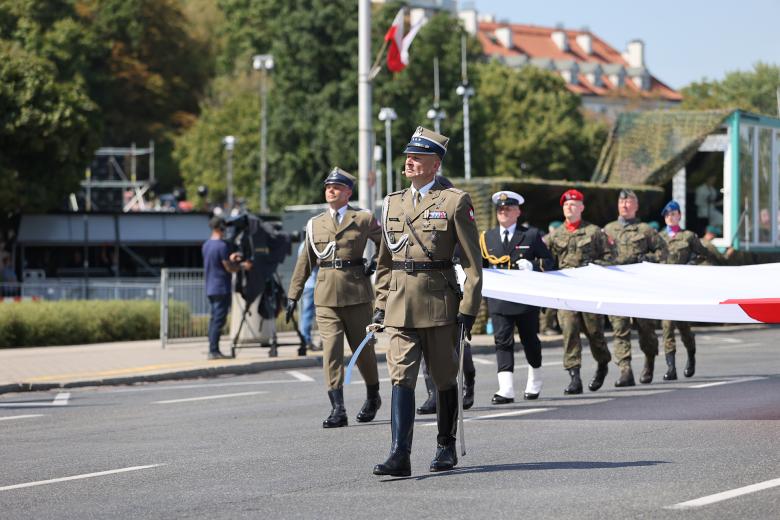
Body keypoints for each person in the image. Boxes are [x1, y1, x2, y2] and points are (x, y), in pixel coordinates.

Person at [372, 126, 482, 476]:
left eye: (418, 157)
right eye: (408, 156)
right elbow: (385, 261)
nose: (409, 162)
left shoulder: (454, 201)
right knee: (400, 377)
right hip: (399, 303)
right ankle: (398, 454)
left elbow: (472, 265)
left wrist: (468, 309)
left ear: (435, 164)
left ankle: (445, 445)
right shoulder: (392, 202)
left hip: (439, 303)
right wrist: (380, 303)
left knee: (445, 377)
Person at [286, 167, 382, 428]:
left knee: (363, 352)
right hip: (326, 295)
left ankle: (373, 395)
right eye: (328, 186)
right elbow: (306, 259)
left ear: (348, 192)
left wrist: (374, 263)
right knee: (331, 352)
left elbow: (386, 242)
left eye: (337, 187)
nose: (331, 190)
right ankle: (338, 408)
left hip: (356, 293)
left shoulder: (362, 218)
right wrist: (293, 295)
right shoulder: (315, 223)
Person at [480, 191, 554, 403]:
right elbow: (481, 267)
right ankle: (506, 389)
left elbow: (549, 261)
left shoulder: (530, 235)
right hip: (499, 299)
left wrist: (533, 266)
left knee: (530, 341)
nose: (503, 212)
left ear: (518, 212)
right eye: (500, 209)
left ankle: (535, 381)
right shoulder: (487, 237)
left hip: (525, 298)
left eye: (508, 209)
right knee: (502, 341)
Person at [548, 189, 615, 394]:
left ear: (582, 208)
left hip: (589, 292)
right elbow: (549, 264)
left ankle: (602, 363)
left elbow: (610, 258)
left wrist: (594, 266)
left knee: (595, 333)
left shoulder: (594, 232)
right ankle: (574, 377)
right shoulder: (555, 235)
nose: (570, 207)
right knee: (569, 331)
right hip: (566, 293)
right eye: (567, 204)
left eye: (574, 204)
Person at [604, 189, 668, 386]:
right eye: (622, 202)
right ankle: (625, 370)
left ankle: (649, 361)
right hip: (617, 288)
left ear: (636, 206)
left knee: (646, 329)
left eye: (629, 202)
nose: (625, 205)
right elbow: (599, 254)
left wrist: (647, 259)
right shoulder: (608, 229)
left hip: (640, 288)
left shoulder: (645, 230)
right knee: (619, 329)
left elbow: (663, 251)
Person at [659, 200, 714, 380]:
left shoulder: (689, 236)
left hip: (681, 289)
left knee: (683, 327)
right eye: (667, 215)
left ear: (679, 215)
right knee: (667, 327)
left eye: (673, 214)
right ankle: (671, 368)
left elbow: (703, 253)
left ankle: (691, 355)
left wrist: (691, 264)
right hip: (665, 289)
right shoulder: (659, 238)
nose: (670, 217)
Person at [202, 216, 253, 360]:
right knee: (219, 320)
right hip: (221, 288)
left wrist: (230, 258)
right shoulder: (222, 246)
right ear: (220, 227)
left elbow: (218, 262)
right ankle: (213, 351)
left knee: (214, 319)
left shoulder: (206, 245)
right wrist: (243, 266)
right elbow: (228, 268)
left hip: (211, 287)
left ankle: (213, 349)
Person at [296, 240, 321, 352]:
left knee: (307, 314)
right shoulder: (311, 245)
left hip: (307, 284)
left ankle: (306, 340)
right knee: (310, 314)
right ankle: (306, 340)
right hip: (313, 284)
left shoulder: (302, 245)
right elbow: (311, 263)